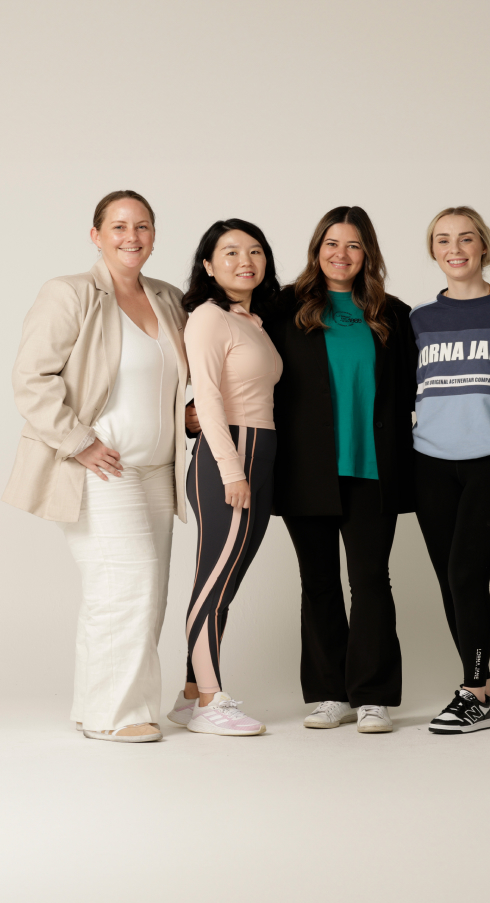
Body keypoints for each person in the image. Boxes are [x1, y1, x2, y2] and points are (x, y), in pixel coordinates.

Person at [4, 191, 190, 742]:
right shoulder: (71, 293)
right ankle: (118, 716)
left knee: (141, 593)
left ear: (155, 234)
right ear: (96, 235)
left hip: (158, 470)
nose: (131, 236)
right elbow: (31, 378)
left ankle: (94, 703)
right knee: (126, 583)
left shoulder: (168, 298)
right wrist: (79, 441)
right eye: (119, 226)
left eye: (143, 226)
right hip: (100, 468)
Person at [265, 206, 416, 733]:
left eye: (352, 245)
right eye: (332, 244)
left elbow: (412, 394)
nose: (341, 254)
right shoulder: (285, 306)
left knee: (371, 579)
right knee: (319, 580)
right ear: (317, 248)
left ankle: (372, 695)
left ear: (366, 253)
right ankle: (330, 692)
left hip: (374, 470)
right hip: (305, 468)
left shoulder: (393, 314)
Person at [411, 207, 490, 734]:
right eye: (443, 240)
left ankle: (477, 691)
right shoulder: (418, 318)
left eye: (465, 238)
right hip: (432, 465)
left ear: (483, 245)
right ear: (433, 249)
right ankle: (478, 689)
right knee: (450, 580)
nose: (454, 248)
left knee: (466, 571)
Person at [166, 219, 282, 737]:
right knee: (214, 581)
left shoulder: (250, 320)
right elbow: (207, 398)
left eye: (255, 251)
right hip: (230, 456)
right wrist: (231, 469)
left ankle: (191, 695)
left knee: (223, 579)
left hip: (261, 451)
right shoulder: (208, 317)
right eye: (230, 252)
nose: (245, 261)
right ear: (209, 265)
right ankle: (212, 699)